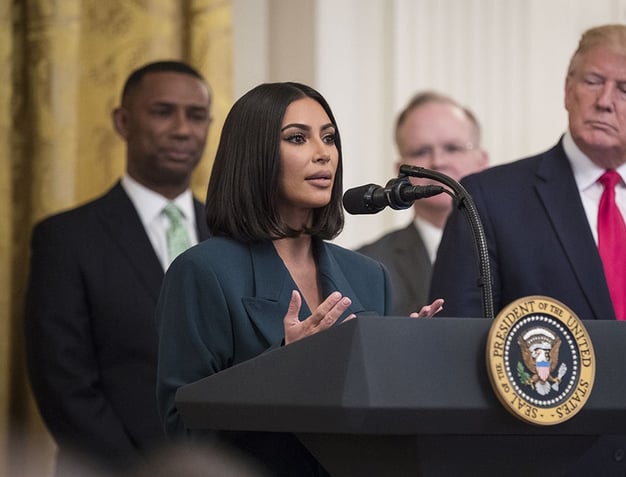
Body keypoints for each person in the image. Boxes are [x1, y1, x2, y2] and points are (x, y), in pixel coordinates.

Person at [429, 24, 626, 476]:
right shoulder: (489, 199)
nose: (606, 100)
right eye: (592, 81)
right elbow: (457, 364)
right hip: (542, 463)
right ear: (567, 89)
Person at [155, 82, 443, 476]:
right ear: (254, 156)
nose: (323, 153)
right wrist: (284, 369)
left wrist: (400, 366)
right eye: (297, 138)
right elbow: (182, 432)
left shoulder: (368, 275)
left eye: (329, 138)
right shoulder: (202, 272)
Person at [24, 60, 213, 474]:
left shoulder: (232, 235)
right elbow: (64, 385)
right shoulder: (66, 238)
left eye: (196, 115)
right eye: (163, 112)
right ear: (123, 122)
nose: (183, 129)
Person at [357, 92, 488, 315]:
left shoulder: (518, 249)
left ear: (482, 161)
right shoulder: (366, 266)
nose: (438, 162)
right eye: (421, 152)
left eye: (452, 148)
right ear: (401, 171)